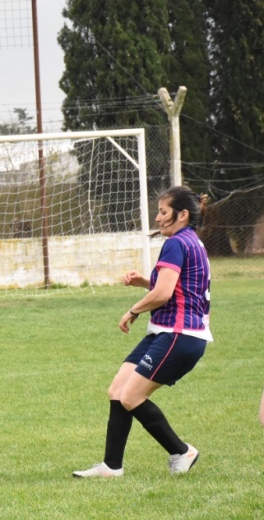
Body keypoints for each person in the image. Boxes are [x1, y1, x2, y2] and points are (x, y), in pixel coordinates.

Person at [74, 186, 211, 478]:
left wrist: (134, 309)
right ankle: (111, 466)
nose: (158, 218)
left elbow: (163, 294)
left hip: (179, 334)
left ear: (182, 215)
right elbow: (177, 287)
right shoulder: (191, 241)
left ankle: (182, 451)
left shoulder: (177, 243)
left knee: (131, 397)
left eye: (163, 212)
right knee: (117, 391)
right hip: (166, 331)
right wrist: (144, 283)